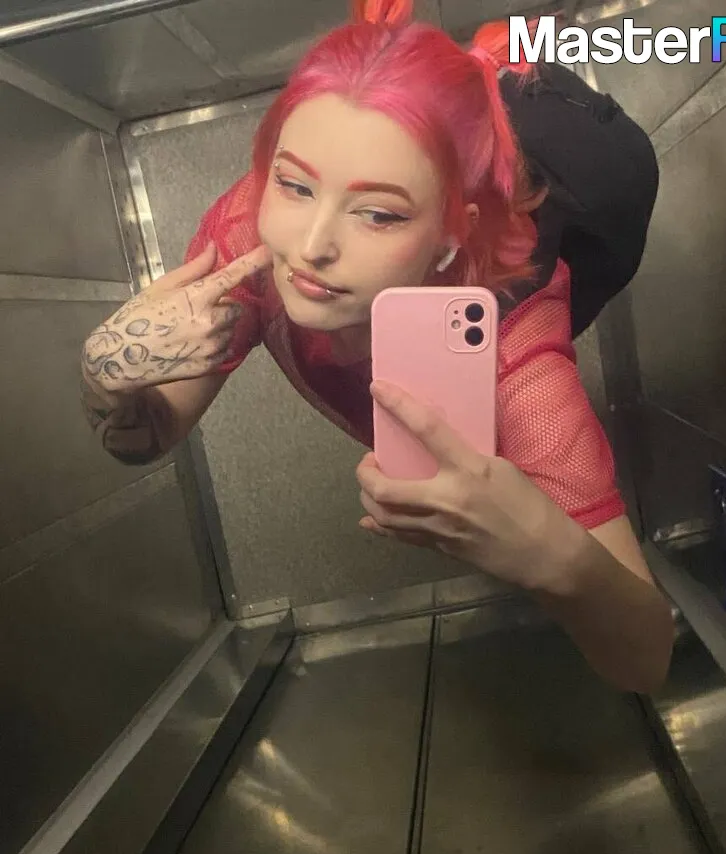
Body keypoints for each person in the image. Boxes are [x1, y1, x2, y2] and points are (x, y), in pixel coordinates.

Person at [79, 0, 673, 693]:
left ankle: (510, 82)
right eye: (294, 183)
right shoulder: (249, 241)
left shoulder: (517, 351)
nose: (310, 247)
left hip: (565, 204)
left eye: (379, 214)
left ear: (450, 232)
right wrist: (104, 376)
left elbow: (648, 660)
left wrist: (553, 557)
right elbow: (146, 435)